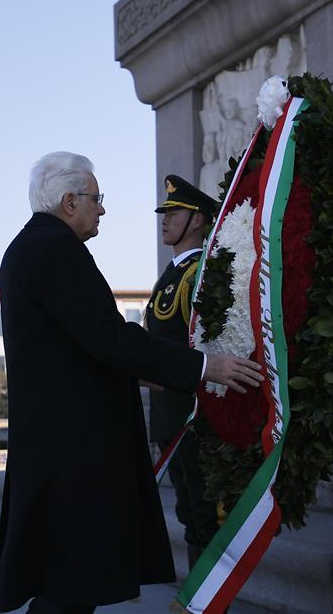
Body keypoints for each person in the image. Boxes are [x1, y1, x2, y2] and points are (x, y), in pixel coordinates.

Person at [0, 152, 263, 614]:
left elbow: (81, 343)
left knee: (69, 579)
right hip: (74, 447)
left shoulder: (31, 246)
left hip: (57, 440)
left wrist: (147, 369)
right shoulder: (55, 249)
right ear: (69, 201)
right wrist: (202, 367)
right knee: (71, 584)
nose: (103, 209)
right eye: (97, 199)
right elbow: (107, 336)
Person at [145, 175, 219, 571]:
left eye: (174, 212)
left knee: (205, 519)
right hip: (170, 418)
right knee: (191, 517)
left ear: (198, 220)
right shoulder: (173, 275)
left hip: (193, 418)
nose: (165, 219)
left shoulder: (199, 274)